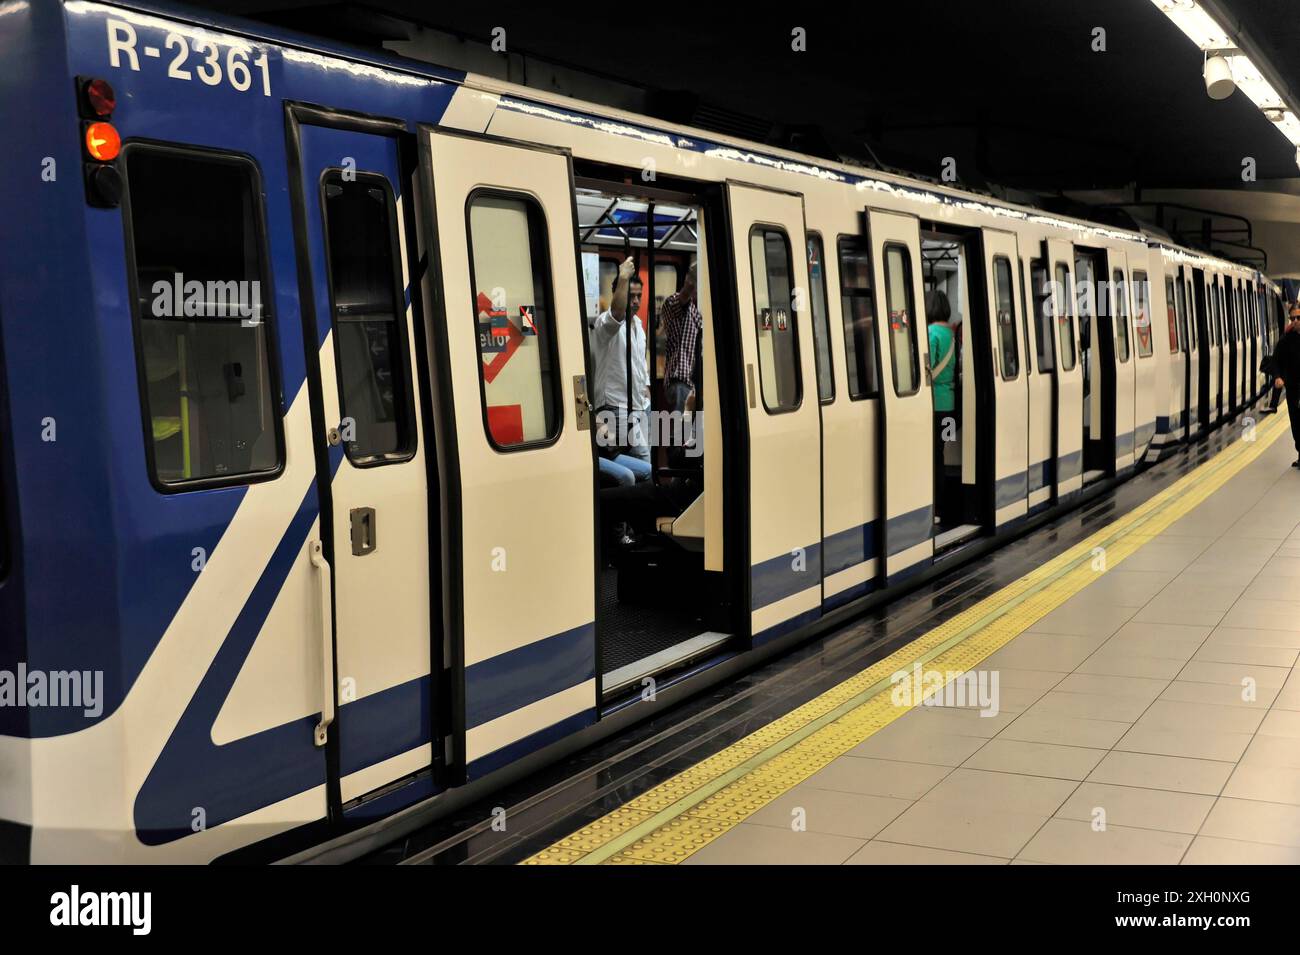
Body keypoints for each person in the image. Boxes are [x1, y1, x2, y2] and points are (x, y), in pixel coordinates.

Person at [591, 257, 651, 465]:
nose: (635, 301)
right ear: (618, 294)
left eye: (638, 296)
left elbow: (639, 362)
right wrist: (623, 276)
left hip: (637, 406)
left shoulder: (639, 325)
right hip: (615, 406)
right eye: (630, 295)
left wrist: (646, 387)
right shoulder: (606, 323)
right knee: (644, 465)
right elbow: (617, 313)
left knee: (641, 464)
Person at [926, 289, 959, 522]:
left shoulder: (931, 332)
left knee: (932, 456)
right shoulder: (951, 334)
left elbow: (928, 367)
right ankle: (944, 505)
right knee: (942, 452)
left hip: (934, 404)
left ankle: (935, 507)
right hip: (949, 405)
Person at [659, 261, 702, 415]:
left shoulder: (699, 312)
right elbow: (682, 298)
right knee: (683, 434)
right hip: (681, 382)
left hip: (696, 384)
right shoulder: (674, 304)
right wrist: (692, 281)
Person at [1271, 304, 1300, 466]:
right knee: (1296, 424)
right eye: (1292, 318)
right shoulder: (1286, 340)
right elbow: (1276, 361)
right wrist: (1277, 377)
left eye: (1298, 318)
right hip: (1293, 389)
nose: (1295, 321)